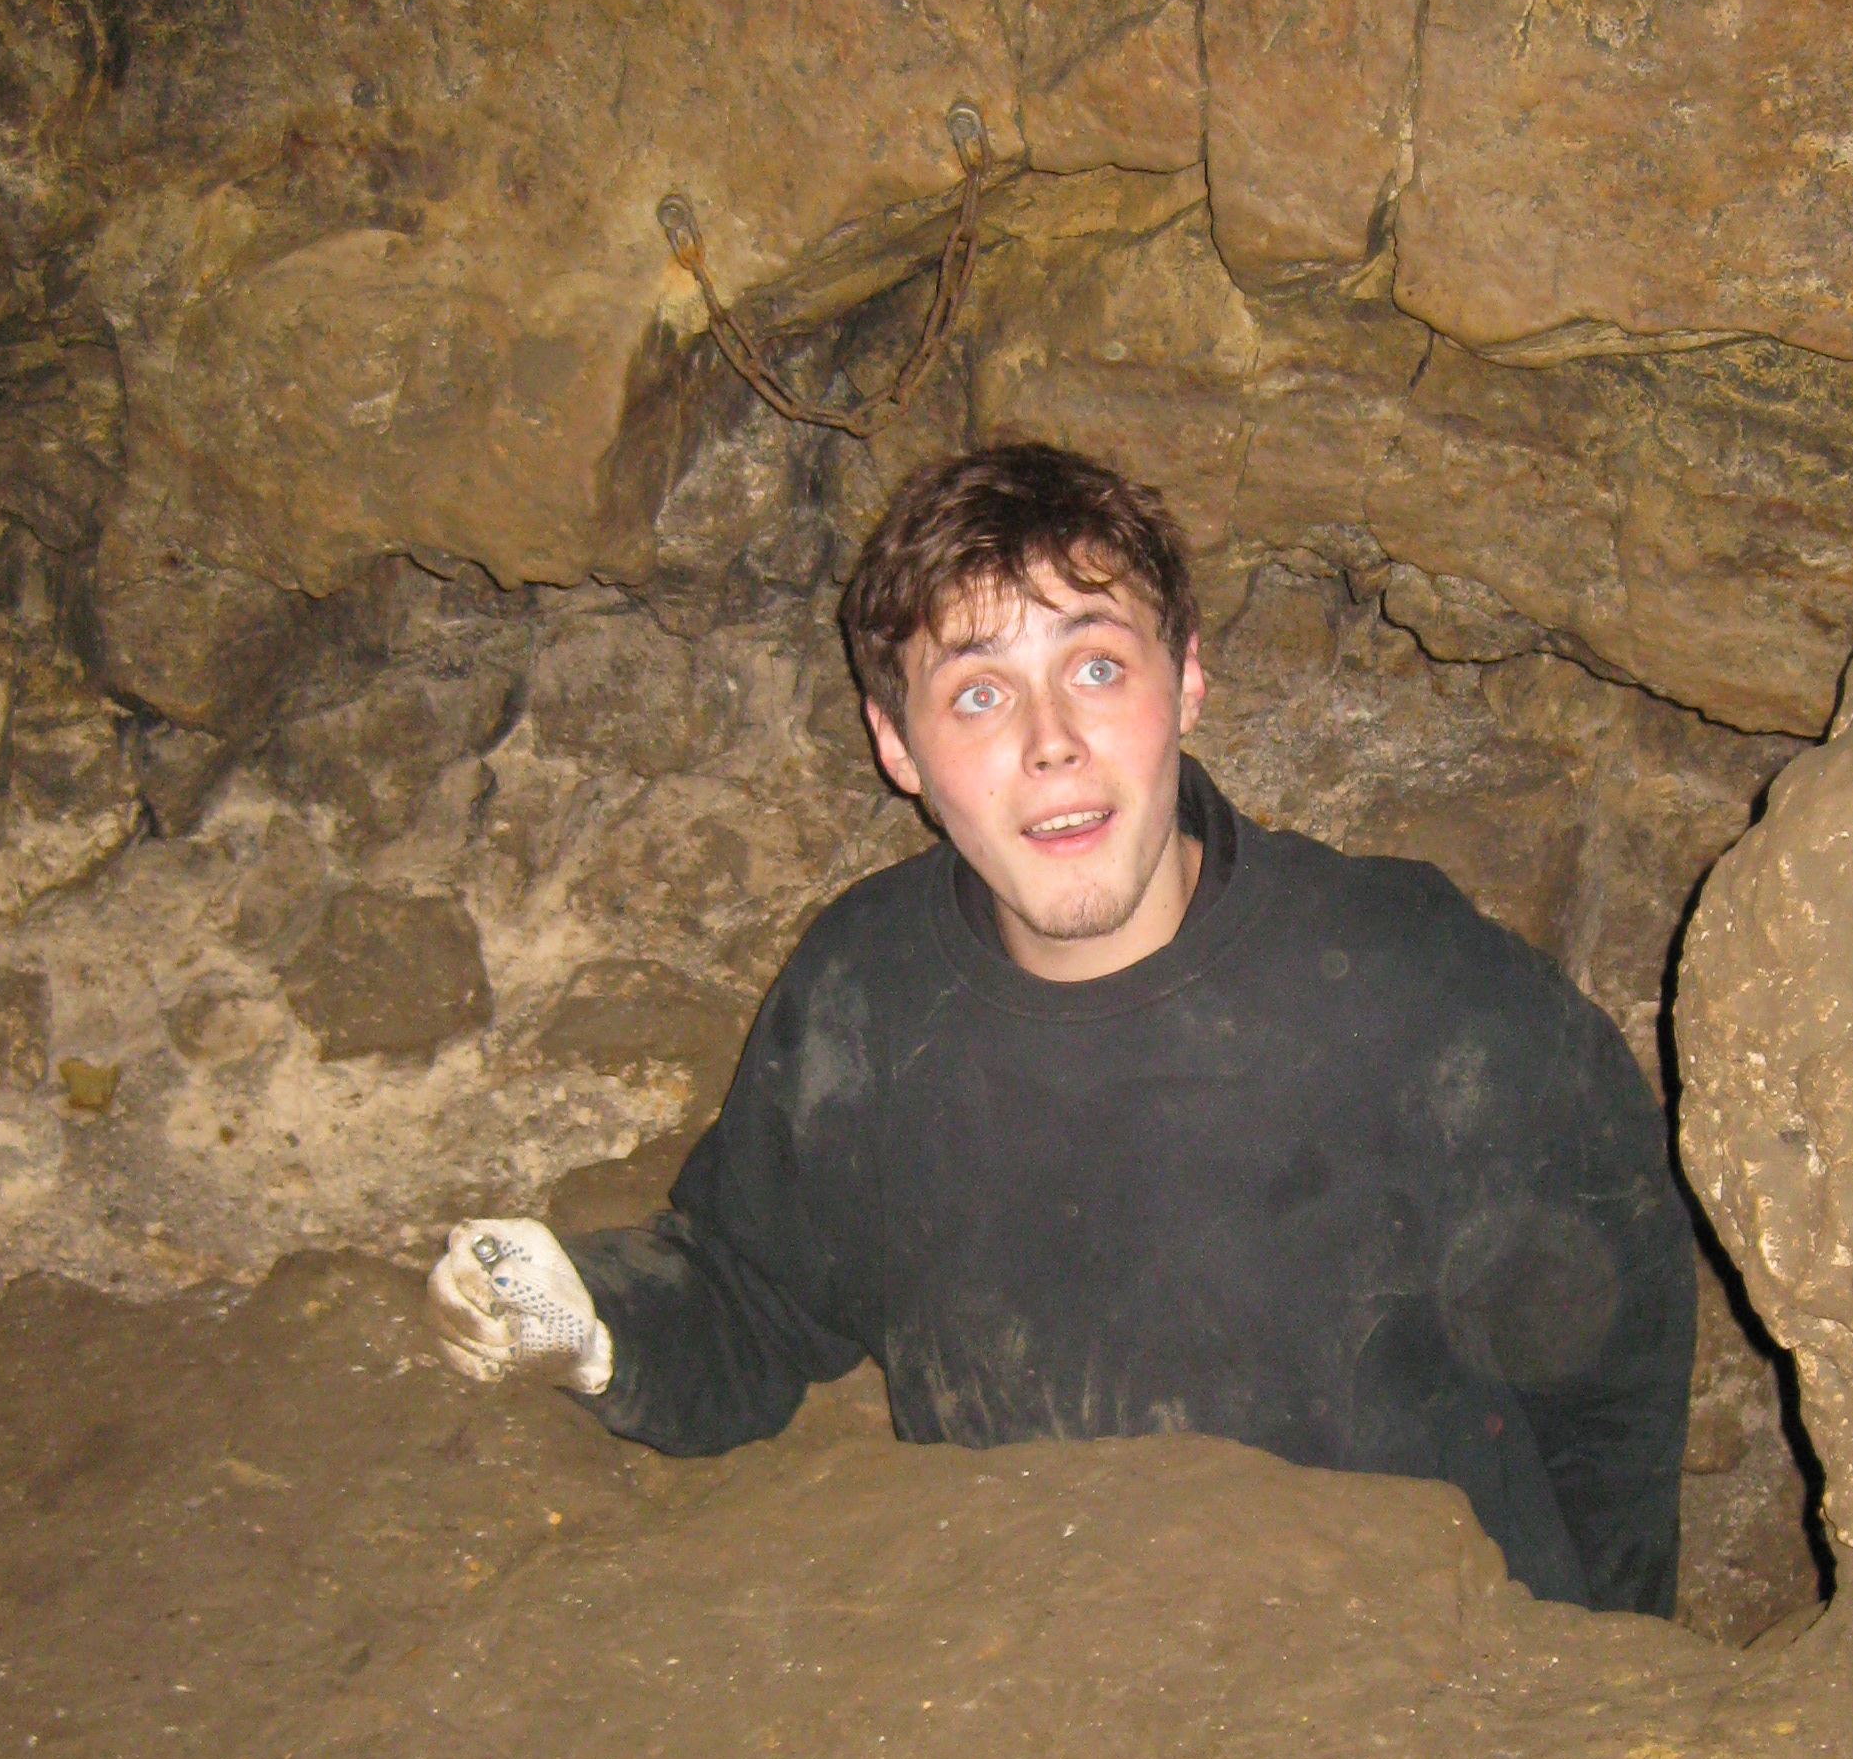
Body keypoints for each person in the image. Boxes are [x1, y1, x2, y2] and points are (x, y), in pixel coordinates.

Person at [428, 442, 1695, 1612]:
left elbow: (1607, 1344)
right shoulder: (868, 995)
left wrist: (1601, 1660)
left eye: (1096, 667)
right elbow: (754, 1292)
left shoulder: (1411, 986)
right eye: (979, 694)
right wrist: (588, 1322)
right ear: (897, 747)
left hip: (1413, 1681)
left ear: (1186, 679)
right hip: (1055, 1688)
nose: (1052, 744)